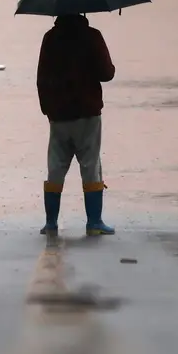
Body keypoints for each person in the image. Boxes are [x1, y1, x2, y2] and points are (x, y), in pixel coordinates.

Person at [36, 12, 116, 236]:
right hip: (87, 113)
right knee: (90, 166)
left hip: (59, 115)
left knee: (56, 166)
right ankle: (94, 222)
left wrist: (48, 110)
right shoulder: (92, 36)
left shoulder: (50, 39)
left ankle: (50, 223)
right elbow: (106, 73)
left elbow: (41, 78)